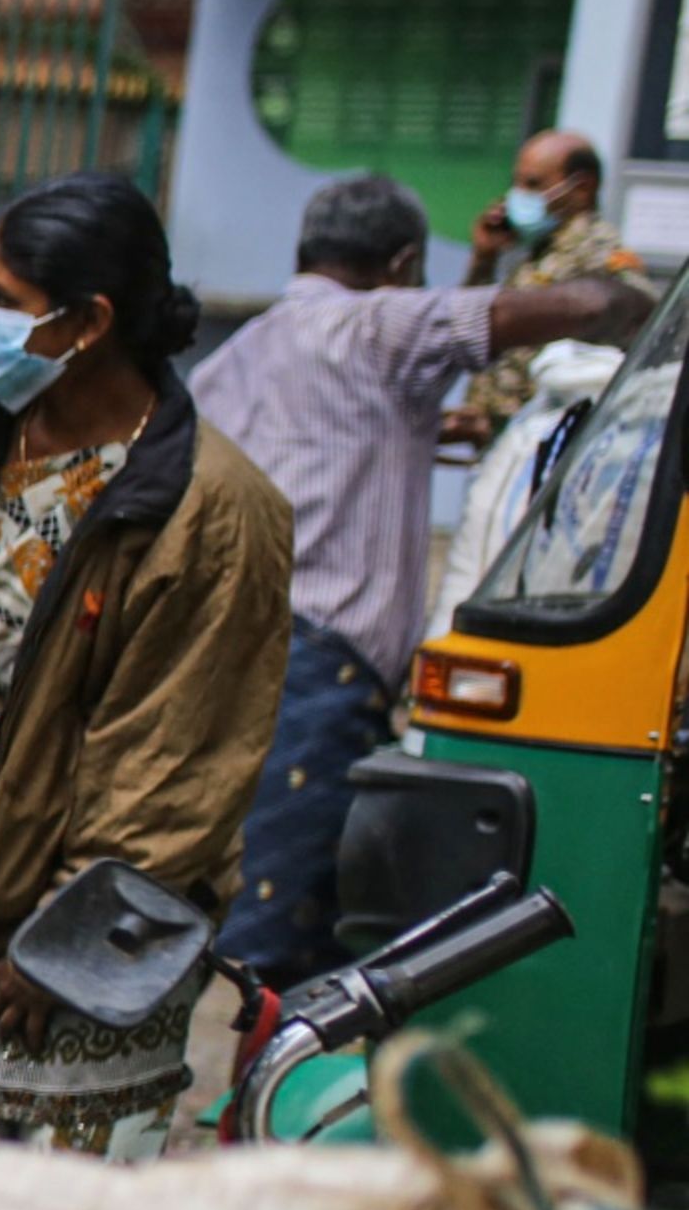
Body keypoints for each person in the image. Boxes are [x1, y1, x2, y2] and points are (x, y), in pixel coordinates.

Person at [0, 175, 294, 1154]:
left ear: (85, 322)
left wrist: (60, 951)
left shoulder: (213, 510)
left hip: (93, 908)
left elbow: (175, 764)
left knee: (41, 1192)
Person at [195, 171, 646, 979]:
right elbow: (582, 309)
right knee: (293, 930)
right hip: (321, 670)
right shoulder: (380, 328)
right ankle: (259, 1098)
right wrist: (647, 306)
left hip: (228, 643)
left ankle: (204, 1092)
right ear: (403, 263)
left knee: (236, 890)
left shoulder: (243, 352)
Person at [456, 129, 656, 441]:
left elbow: (640, 341)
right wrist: (484, 258)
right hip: (506, 439)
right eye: (517, 182)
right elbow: (468, 324)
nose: (517, 196)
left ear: (582, 188)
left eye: (533, 184)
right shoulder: (539, 251)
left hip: (550, 442)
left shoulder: (601, 258)